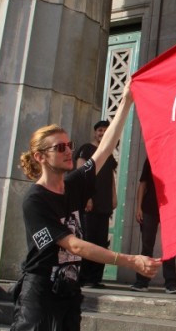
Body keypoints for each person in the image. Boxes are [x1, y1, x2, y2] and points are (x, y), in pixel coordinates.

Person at [12, 80, 160, 331]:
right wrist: (131, 261)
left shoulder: (74, 183)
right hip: (39, 293)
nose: (68, 151)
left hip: (69, 290)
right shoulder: (35, 200)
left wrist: (126, 101)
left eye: (69, 145)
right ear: (40, 157)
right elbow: (74, 245)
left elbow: (104, 149)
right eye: (60, 148)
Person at [76, 120, 118, 289]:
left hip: (104, 203)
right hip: (89, 204)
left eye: (105, 131)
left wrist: (114, 197)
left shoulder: (108, 153)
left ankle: (95, 278)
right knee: (88, 240)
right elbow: (80, 172)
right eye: (99, 130)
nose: (102, 133)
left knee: (101, 241)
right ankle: (84, 277)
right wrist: (86, 196)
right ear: (95, 133)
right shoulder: (86, 149)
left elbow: (112, 178)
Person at [130, 158, 176, 294]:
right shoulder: (151, 157)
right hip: (149, 208)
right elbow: (143, 184)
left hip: (170, 208)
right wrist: (138, 207)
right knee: (147, 245)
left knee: (170, 247)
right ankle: (142, 282)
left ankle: (171, 283)